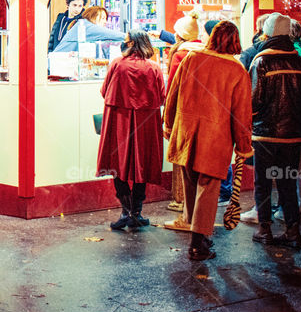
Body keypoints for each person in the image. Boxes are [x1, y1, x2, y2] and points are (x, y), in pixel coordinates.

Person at [164, 21, 253, 261]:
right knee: (209, 188)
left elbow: (172, 94)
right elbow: (241, 115)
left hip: (186, 133)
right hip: (215, 138)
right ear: (235, 40)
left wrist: (169, 125)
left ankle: (198, 234)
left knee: (191, 183)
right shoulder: (237, 71)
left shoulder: (191, 58)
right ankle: (198, 243)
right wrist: (244, 147)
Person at [249, 13, 301, 249]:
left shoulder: (262, 61)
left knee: (264, 182)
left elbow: (254, 101)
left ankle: (265, 229)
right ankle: (292, 230)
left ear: (267, 33)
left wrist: (255, 122)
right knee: (288, 182)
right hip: (293, 135)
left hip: (265, 135)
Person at [96, 30, 165, 231]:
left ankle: (126, 211)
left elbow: (104, 91)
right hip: (146, 122)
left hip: (119, 120)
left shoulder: (117, 64)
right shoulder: (154, 68)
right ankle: (136, 212)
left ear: (131, 43)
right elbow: (162, 95)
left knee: (117, 162)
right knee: (142, 163)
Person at [164, 14, 205, 219]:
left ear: (180, 34)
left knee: (182, 157)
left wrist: (167, 119)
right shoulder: (206, 51)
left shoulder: (180, 54)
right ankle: (196, 209)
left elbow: (172, 87)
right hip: (204, 114)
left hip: (183, 112)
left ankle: (182, 203)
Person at [51, 6, 125, 54]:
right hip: (59, 65)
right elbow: (112, 34)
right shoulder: (86, 26)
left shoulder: (82, 25)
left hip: (62, 64)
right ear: (92, 16)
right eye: (102, 18)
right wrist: (132, 36)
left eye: (105, 19)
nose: (105, 22)